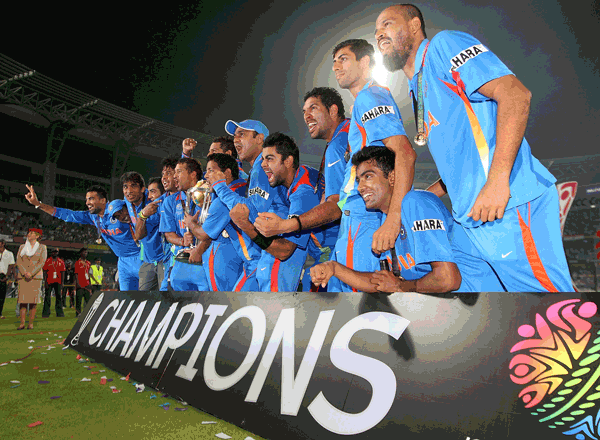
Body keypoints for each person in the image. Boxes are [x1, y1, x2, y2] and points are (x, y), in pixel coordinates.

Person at [375, 4, 572, 291]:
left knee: (554, 311)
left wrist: (497, 181)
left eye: (388, 24)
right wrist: (434, 192)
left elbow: (515, 95)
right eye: (377, 30)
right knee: (498, 316)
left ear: (415, 25)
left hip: (509, 205)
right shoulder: (416, 86)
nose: (380, 33)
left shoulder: (443, 46)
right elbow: (461, 155)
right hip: (472, 219)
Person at [311, 146, 462, 293]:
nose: (360, 187)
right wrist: (334, 268)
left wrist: (401, 287)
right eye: (358, 180)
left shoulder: (416, 202)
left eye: (368, 176)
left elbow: (448, 279)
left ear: (391, 177)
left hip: (472, 302)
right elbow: (382, 282)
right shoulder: (385, 222)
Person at [254, 87, 347, 291]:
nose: (306, 116)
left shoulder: (305, 187)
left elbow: (335, 206)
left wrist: (278, 226)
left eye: (313, 108)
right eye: (304, 111)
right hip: (334, 252)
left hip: (338, 253)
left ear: (332, 110)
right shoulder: (307, 172)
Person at [220, 133, 322, 292]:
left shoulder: (303, 192)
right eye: (263, 159)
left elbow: (284, 251)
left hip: (332, 259)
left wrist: (246, 226)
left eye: (270, 159)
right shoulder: (291, 182)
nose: (263, 165)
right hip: (323, 259)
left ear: (288, 161)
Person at [24, 184, 141, 291]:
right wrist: (38, 204)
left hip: (140, 256)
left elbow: (135, 206)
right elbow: (67, 215)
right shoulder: (93, 217)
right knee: (129, 298)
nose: (87, 203)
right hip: (123, 262)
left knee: (151, 296)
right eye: (86, 199)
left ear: (103, 200)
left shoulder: (118, 209)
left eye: (91, 199)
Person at [185, 153, 247, 291]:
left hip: (224, 259)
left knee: (224, 300)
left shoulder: (223, 201)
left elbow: (203, 234)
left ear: (227, 173)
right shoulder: (243, 188)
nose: (206, 176)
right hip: (240, 257)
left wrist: (191, 223)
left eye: (211, 171)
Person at [159, 157, 209, 291]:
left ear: (193, 174)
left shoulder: (208, 196)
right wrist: (182, 241)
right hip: (180, 261)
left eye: (179, 172)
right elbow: (168, 234)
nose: (174, 176)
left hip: (204, 260)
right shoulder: (170, 201)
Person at [121, 171, 164, 291]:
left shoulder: (152, 206)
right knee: (144, 300)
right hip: (147, 260)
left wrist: (142, 215)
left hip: (162, 258)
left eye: (133, 186)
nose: (129, 191)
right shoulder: (128, 200)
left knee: (166, 298)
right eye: (125, 187)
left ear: (142, 189)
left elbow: (139, 235)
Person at [16, 228, 47, 329]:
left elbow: (41, 262)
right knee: (22, 300)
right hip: (23, 276)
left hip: (35, 277)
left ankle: (31, 323)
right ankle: (22, 323)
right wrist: (24, 272)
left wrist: (31, 273)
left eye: (32, 233)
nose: (29, 234)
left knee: (33, 302)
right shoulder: (22, 247)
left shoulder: (42, 247)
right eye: (29, 232)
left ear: (37, 236)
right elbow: (19, 261)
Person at [42, 248, 65, 318]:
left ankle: (59, 313)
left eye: (56, 252)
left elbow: (63, 272)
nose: (55, 253)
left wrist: (62, 282)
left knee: (59, 297)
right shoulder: (48, 261)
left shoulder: (61, 261)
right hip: (49, 281)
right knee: (47, 297)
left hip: (58, 281)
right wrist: (45, 281)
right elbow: (45, 272)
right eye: (53, 252)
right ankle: (46, 313)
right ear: (51, 253)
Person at [0, 238, 15, 320]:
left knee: (2, 296)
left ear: (3, 244)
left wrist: (8, 278)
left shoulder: (9, 254)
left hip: (3, 276)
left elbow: (11, 266)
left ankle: (0, 313)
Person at [74, 248, 91, 317]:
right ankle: (78, 313)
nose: (85, 253)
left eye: (86, 252)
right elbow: (76, 274)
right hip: (80, 285)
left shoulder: (88, 263)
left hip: (86, 284)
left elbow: (89, 274)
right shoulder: (77, 262)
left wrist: (90, 282)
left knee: (88, 300)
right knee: (79, 301)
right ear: (81, 253)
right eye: (84, 252)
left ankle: (87, 314)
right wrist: (77, 283)